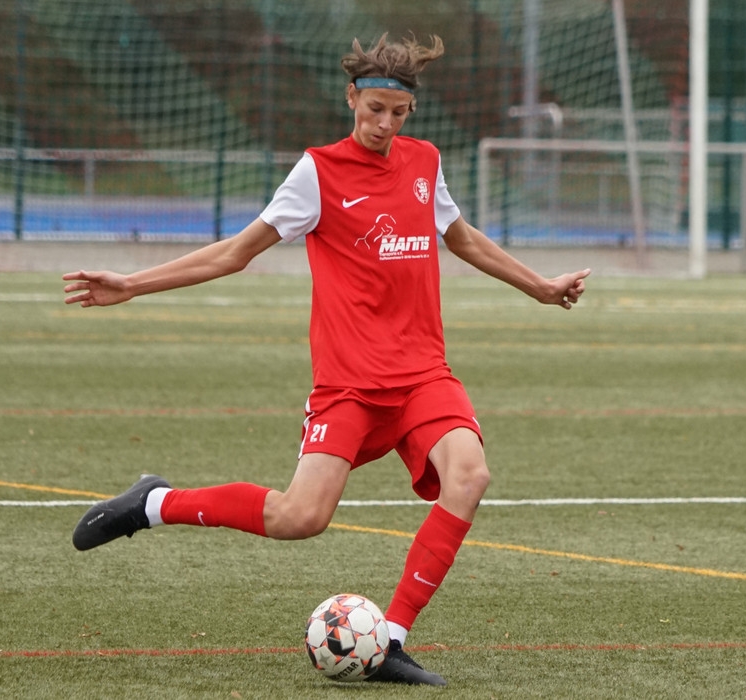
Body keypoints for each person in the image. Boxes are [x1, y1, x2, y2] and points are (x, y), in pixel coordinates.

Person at [63, 33, 590, 686]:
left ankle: (390, 640)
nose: (385, 124)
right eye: (374, 110)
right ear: (351, 100)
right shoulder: (318, 173)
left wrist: (540, 287)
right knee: (300, 517)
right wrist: (132, 283)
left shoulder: (424, 163)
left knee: (470, 476)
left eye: (398, 113)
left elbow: (463, 239)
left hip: (423, 374)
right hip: (350, 386)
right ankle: (154, 503)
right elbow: (235, 252)